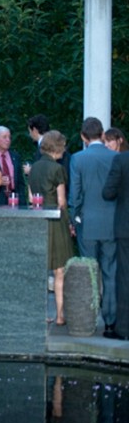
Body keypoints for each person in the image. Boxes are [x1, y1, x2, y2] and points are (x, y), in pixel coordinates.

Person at [70, 117, 117, 334]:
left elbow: (75, 195)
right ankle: (110, 320)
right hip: (112, 223)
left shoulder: (78, 159)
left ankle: (87, 320)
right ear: (102, 134)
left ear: (83, 136)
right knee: (110, 271)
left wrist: (74, 218)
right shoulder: (115, 157)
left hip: (87, 223)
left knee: (89, 272)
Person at [28, 130, 74, 326]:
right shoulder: (57, 169)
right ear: (58, 147)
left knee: (39, 269)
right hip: (56, 222)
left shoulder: (34, 168)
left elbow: (31, 198)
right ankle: (60, 316)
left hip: (38, 220)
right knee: (59, 271)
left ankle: (41, 314)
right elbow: (62, 201)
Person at [102, 149, 129, 340]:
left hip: (126, 227)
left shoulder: (121, 160)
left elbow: (108, 193)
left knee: (125, 277)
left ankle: (124, 328)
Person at [0, 125, 27, 206]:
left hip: (15, 200)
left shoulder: (15, 156)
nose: (8, 140)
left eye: (9, 137)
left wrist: (22, 202)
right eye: (4, 137)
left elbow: (20, 182)